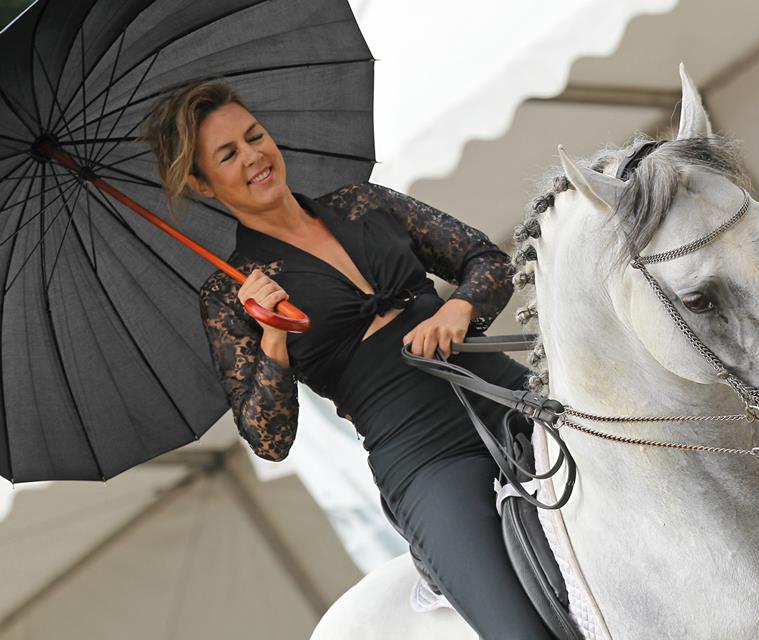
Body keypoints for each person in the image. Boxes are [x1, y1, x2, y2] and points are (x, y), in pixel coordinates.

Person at [139, 79, 555, 639]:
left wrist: (459, 308)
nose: (254, 157)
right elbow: (268, 437)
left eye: (255, 137)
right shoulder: (227, 297)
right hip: (426, 460)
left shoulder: (365, 203)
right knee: (518, 632)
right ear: (202, 184)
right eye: (228, 155)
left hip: (509, 396)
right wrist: (272, 335)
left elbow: (487, 259)